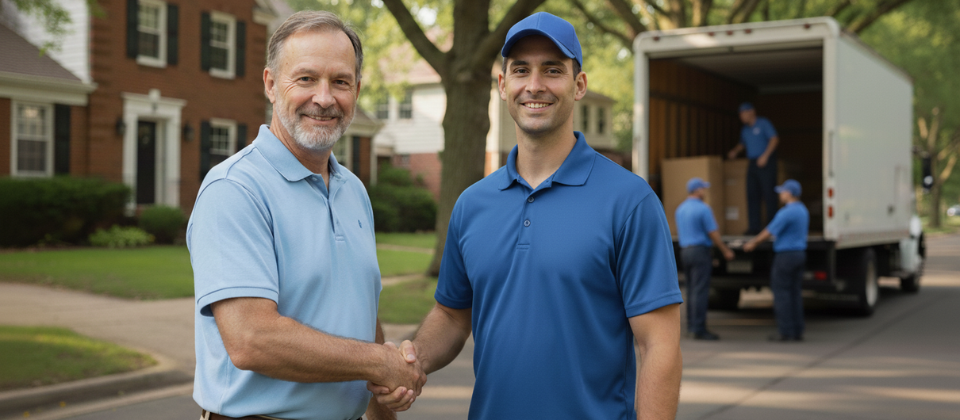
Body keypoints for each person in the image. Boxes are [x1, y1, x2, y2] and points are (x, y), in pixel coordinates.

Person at [370, 12, 683, 419]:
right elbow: (451, 315)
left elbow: (658, 345)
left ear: (579, 84)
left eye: (553, 70)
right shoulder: (472, 204)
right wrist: (410, 363)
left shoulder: (629, 201)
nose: (534, 85)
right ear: (503, 85)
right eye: (521, 70)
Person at [187, 11, 424, 420]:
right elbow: (251, 338)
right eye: (306, 78)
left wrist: (385, 390)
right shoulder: (235, 189)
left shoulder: (353, 191)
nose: (325, 97)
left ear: (357, 90)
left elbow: (358, 311)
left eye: (340, 81)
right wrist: (376, 362)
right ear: (271, 84)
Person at [743, 179, 809, 342]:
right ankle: (797, 330)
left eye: (782, 191)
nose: (780, 194)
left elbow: (769, 231)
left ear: (790, 193)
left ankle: (786, 331)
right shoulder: (802, 210)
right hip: (799, 254)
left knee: (782, 294)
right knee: (794, 293)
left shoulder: (786, 212)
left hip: (785, 256)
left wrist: (753, 242)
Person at [675, 177, 735, 340]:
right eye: (703, 188)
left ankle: (691, 326)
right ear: (698, 190)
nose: (705, 192)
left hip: (685, 251)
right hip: (700, 251)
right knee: (700, 291)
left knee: (691, 290)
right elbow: (712, 232)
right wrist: (724, 250)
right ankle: (699, 329)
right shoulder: (703, 209)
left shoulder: (680, 209)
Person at [727, 102, 780, 235]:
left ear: (751, 112)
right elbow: (742, 143)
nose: (741, 117)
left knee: (769, 194)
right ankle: (754, 227)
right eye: (740, 114)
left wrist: (765, 156)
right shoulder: (745, 129)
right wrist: (735, 151)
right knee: (751, 194)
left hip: (766, 161)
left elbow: (774, 139)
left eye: (743, 113)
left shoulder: (763, 123)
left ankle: (772, 227)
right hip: (752, 162)